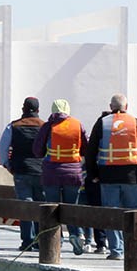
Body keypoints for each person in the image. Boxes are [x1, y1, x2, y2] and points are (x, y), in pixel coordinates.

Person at [33, 99, 88, 255]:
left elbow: (37, 150)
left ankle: (55, 241)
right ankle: (76, 235)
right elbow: (85, 147)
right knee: (71, 207)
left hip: (52, 173)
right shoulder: (77, 125)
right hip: (73, 173)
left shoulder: (48, 126)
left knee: (52, 208)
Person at [85, 93, 137, 260]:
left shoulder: (102, 123)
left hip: (107, 176)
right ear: (126, 107)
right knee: (132, 214)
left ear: (110, 107)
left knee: (111, 214)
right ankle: (133, 250)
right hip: (132, 177)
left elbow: (91, 150)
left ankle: (116, 251)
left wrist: (92, 174)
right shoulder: (134, 122)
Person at [0, 96, 46, 252]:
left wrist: (7, 165)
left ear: (23, 109)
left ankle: (27, 241)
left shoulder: (13, 126)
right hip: (41, 171)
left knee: (25, 205)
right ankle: (40, 241)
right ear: (38, 110)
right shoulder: (45, 126)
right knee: (41, 205)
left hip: (21, 170)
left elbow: (3, 147)